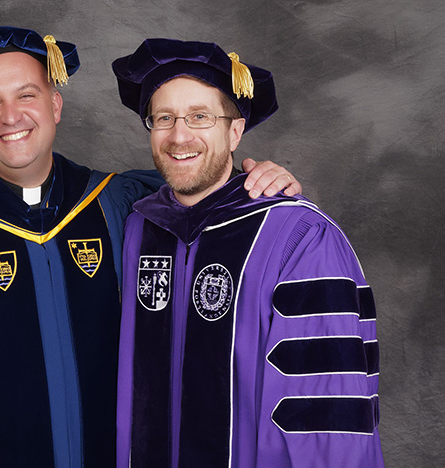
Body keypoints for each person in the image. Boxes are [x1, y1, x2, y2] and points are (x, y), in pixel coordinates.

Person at [0, 27, 301, 468]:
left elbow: (203, 183)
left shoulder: (123, 205)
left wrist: (254, 179)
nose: (11, 117)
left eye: (27, 95)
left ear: (55, 106)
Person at [112, 39, 384, 468]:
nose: (179, 135)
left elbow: (326, 413)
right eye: (164, 118)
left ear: (235, 130)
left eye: (200, 117)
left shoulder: (299, 236)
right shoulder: (139, 227)